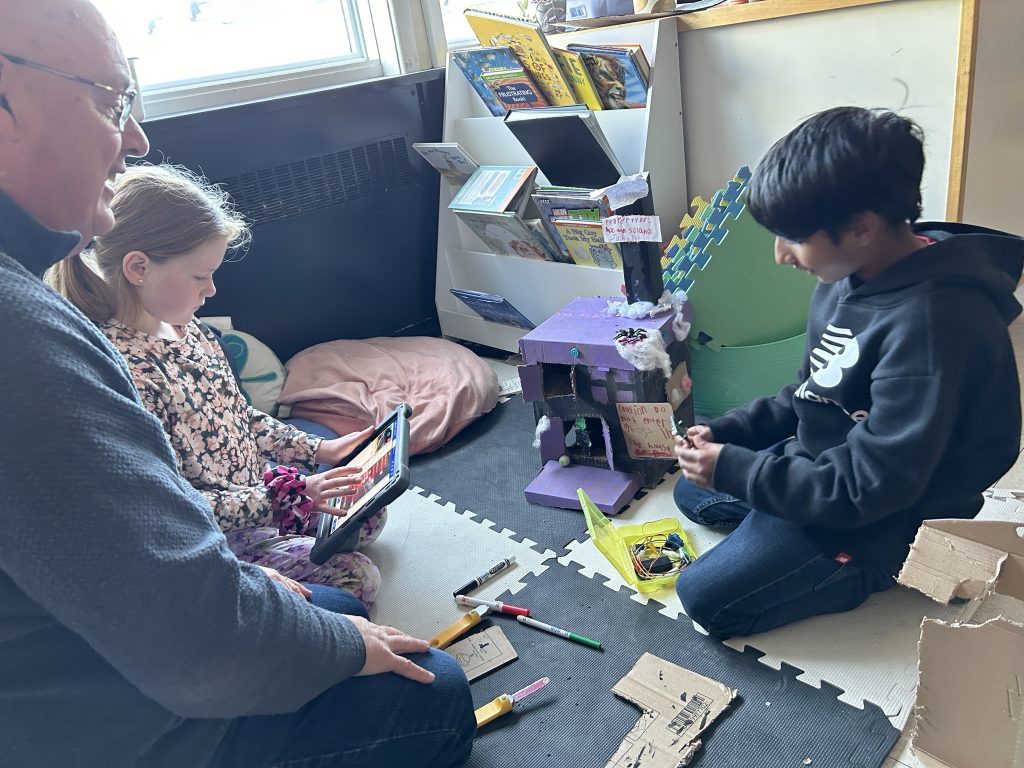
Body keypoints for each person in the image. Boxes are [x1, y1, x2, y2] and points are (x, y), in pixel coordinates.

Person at [0, 2, 474, 767]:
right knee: (434, 689)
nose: (135, 137)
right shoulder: (31, 342)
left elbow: (241, 431)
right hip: (131, 715)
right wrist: (294, 579)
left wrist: (316, 463)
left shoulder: (171, 335)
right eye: (108, 98)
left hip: (149, 618)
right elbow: (197, 641)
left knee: (338, 587)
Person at [672, 106, 1024, 640]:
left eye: (792, 237)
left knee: (704, 601)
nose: (779, 256)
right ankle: (777, 521)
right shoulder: (852, 272)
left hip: (882, 517)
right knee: (691, 490)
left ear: (861, 228)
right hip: (831, 461)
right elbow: (812, 389)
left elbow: (867, 489)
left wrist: (743, 473)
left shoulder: (932, 329)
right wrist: (732, 434)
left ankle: (861, 572)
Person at [48, 163, 386, 608]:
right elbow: (172, 509)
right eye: (199, 276)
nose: (211, 290)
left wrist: (317, 451)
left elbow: (237, 415)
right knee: (358, 579)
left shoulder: (192, 330)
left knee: (369, 512)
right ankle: (255, 578)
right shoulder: (127, 373)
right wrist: (284, 499)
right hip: (217, 533)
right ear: (138, 268)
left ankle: (288, 537)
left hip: (257, 492)